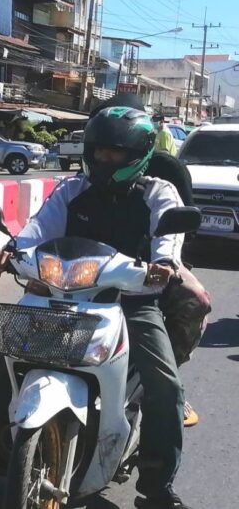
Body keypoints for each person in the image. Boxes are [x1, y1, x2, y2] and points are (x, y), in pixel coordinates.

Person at [0, 106, 192, 509]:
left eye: (115, 152)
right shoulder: (72, 190)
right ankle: (6, 447)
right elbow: (39, 229)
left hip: (130, 300)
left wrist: (164, 264)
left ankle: (156, 486)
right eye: (99, 151)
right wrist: (12, 249)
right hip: (64, 295)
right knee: (12, 347)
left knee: (166, 385)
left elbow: (168, 238)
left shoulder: (157, 193)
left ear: (137, 154)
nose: (104, 159)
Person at [91, 95, 207, 427]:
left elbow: (179, 224)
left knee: (196, 300)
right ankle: (4, 443)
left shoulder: (165, 174)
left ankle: (165, 381)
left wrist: (167, 262)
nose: (106, 151)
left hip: (151, 264)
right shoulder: (85, 176)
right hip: (87, 268)